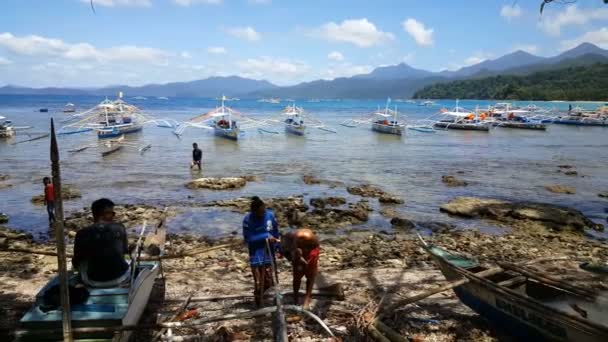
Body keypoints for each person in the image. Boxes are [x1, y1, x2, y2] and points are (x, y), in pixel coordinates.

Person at [72, 198, 130, 284]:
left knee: (82, 262)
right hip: (121, 277)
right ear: (104, 214)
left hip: (93, 280)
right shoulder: (120, 228)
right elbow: (124, 251)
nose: (114, 216)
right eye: (112, 213)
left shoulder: (81, 234)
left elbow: (76, 262)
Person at [242, 196, 280, 307]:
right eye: (259, 213)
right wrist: (265, 236)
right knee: (258, 281)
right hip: (256, 252)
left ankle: (266, 297)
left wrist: (277, 247)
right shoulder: (247, 219)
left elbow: (276, 232)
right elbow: (248, 239)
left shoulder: (270, 216)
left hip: (269, 251)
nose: (262, 214)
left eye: (263, 212)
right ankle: (258, 301)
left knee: (269, 279)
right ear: (254, 211)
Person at [281, 228, 320, 309]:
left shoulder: (308, 238)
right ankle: (295, 298)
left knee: (310, 276)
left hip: (311, 251)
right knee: (297, 276)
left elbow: (315, 246)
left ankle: (307, 299)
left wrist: (305, 261)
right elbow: (288, 253)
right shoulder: (289, 242)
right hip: (297, 250)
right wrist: (296, 258)